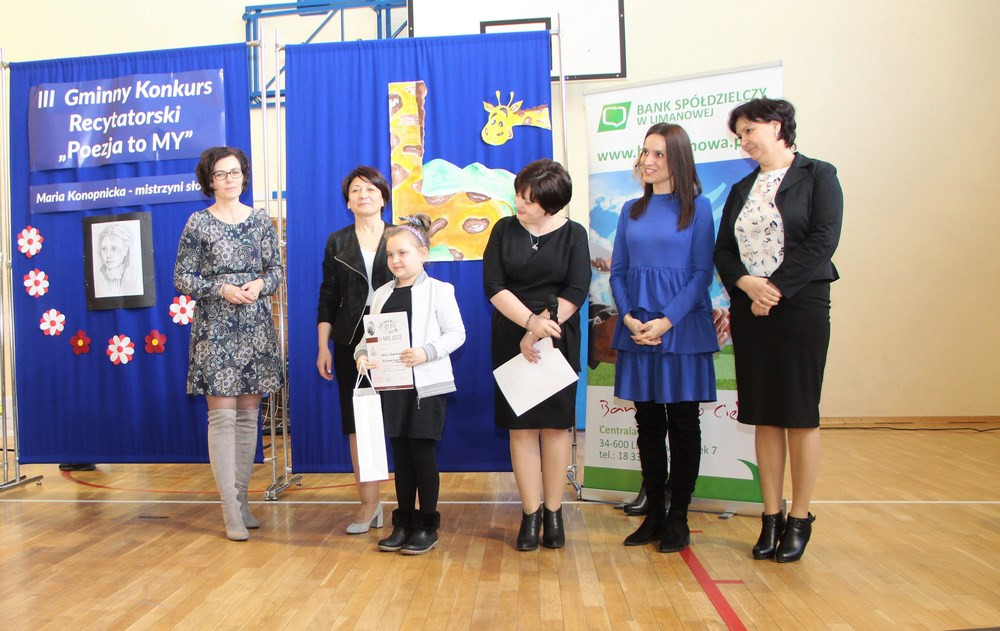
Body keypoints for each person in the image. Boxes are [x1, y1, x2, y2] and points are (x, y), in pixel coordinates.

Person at [714, 98, 843, 563]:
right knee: (764, 413)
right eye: (739, 135)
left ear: (777, 125)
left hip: (800, 304)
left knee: (799, 412)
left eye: (749, 130)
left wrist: (775, 288)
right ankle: (771, 516)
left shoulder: (818, 175)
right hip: (751, 307)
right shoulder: (741, 187)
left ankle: (800, 517)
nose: (744, 141)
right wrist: (747, 284)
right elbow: (723, 250)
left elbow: (823, 239)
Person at [609, 123, 719, 553]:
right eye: (645, 152)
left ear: (678, 159)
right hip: (638, 328)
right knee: (648, 423)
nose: (648, 161)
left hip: (681, 328)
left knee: (683, 423)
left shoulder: (700, 209)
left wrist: (667, 321)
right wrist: (629, 318)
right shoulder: (630, 210)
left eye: (658, 154)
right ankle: (654, 513)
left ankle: (679, 518)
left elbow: (701, 274)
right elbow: (618, 271)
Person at [174, 146, 283, 541]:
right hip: (215, 329)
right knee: (222, 419)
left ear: (243, 176)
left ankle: (242, 499)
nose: (229, 179)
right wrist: (220, 288)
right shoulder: (198, 222)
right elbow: (182, 277)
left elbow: (276, 270)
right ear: (210, 180)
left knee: (249, 417)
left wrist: (260, 284)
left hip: (255, 327)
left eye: (235, 172)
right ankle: (229, 508)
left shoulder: (260, 220)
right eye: (221, 174)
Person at [483, 158, 589, 551]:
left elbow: (576, 289)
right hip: (511, 332)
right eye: (518, 195)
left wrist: (541, 328)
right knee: (522, 427)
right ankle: (530, 513)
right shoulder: (503, 229)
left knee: (555, 427)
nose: (519, 204)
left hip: (557, 334)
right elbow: (494, 286)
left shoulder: (574, 234)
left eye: (528, 199)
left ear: (551, 203)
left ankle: (554, 511)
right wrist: (528, 324)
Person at [355, 216, 466, 555]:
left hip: (426, 388)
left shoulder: (440, 291)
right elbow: (368, 336)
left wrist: (425, 352)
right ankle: (403, 523)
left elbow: (457, 334)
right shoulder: (381, 294)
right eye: (390, 255)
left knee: (422, 454)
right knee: (401, 457)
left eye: (403, 253)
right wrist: (362, 355)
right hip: (393, 388)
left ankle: (427, 525)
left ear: (423, 254)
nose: (395, 260)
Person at [316, 166, 394, 534]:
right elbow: (328, 296)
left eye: (370, 189)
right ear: (348, 202)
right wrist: (323, 345)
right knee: (359, 423)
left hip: (396, 336)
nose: (363, 195)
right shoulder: (337, 241)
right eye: (356, 190)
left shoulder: (400, 235)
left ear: (383, 197)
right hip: (350, 339)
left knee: (400, 421)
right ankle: (369, 504)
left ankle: (408, 504)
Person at [94, 223, 142, 297]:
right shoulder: (97, 278)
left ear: (125, 250)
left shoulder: (136, 277)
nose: (108, 255)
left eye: (114, 248)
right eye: (104, 249)